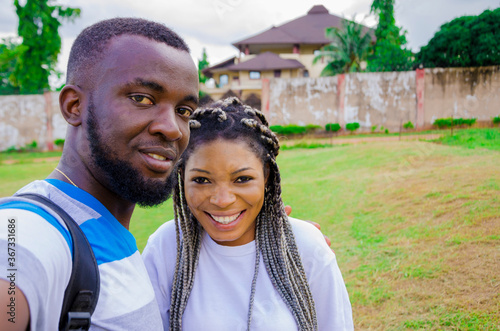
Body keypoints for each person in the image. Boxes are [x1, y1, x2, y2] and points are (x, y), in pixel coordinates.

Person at [0, 17, 199, 330]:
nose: (173, 129)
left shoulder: (113, 235)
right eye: (142, 99)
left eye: (183, 111)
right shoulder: (28, 230)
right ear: (74, 105)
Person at [142, 98, 353, 330]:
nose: (222, 200)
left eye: (242, 179)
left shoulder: (306, 247)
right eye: (201, 180)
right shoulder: (166, 247)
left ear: (267, 176)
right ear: (181, 178)